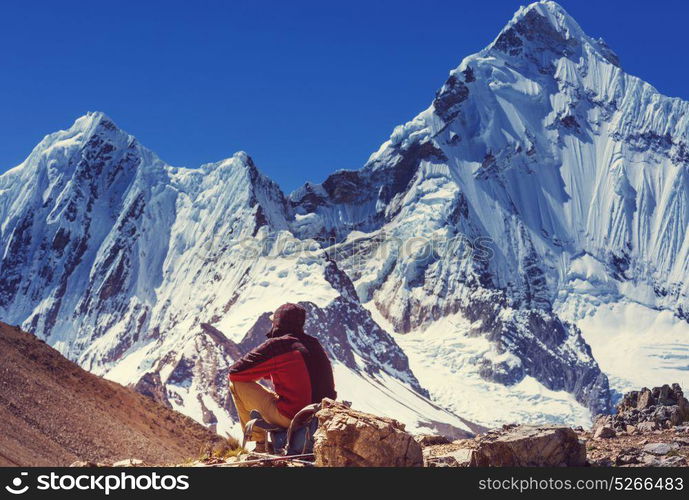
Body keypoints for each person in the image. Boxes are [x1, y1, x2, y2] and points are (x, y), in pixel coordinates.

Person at [228, 303, 336, 450]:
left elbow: (235, 373)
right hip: (321, 414)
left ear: (278, 323)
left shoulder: (278, 345)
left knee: (235, 384)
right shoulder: (313, 343)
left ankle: (260, 443)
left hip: (293, 416)